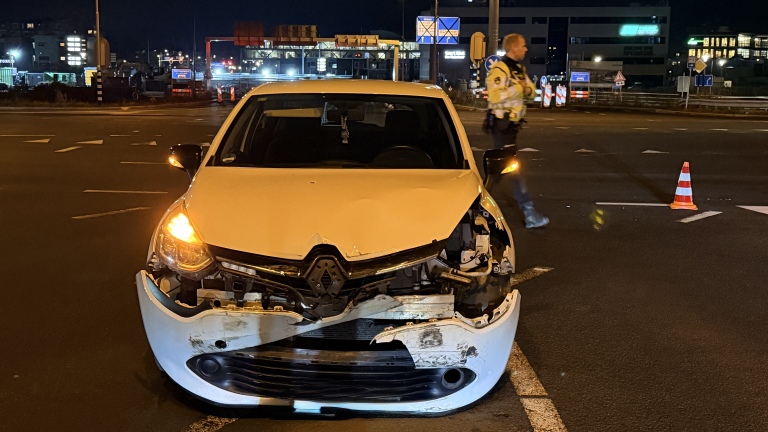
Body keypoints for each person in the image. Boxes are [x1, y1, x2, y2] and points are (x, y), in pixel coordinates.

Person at [484, 33, 549, 229]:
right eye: (523, 46)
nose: (526, 49)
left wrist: (526, 89)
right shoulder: (500, 69)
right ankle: (529, 212)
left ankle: (475, 203)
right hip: (502, 126)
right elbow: (495, 96)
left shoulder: (518, 70)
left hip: (511, 128)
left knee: (500, 169)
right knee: (513, 168)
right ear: (513, 48)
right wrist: (520, 89)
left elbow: (531, 91)